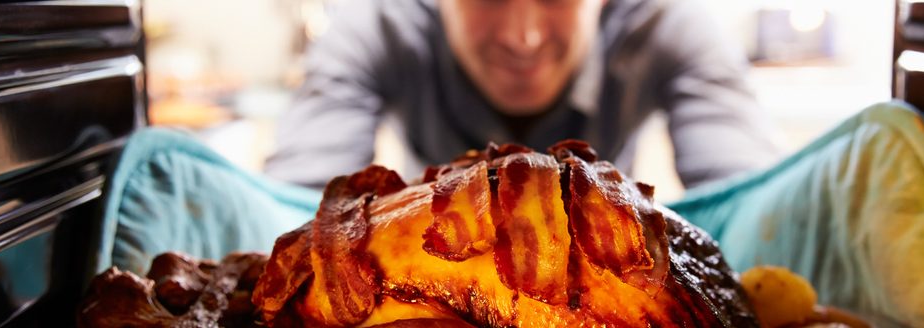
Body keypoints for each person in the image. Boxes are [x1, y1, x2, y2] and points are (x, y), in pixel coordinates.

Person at [265, 0, 782, 190]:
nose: (523, 36)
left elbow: (749, 193)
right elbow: (298, 199)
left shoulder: (668, 24)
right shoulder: (375, 25)